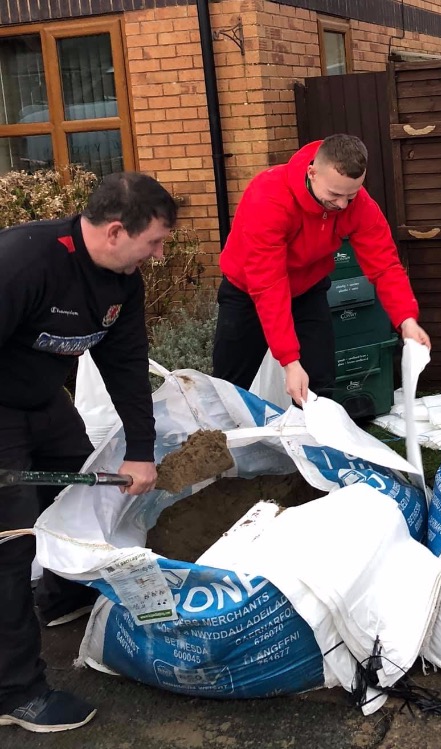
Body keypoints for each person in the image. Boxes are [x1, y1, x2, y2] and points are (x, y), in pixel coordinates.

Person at [0, 172, 176, 732]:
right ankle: (15, 693)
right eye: (154, 242)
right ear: (117, 231)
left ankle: (60, 596)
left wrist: (141, 450)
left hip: (43, 401)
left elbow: (126, 364)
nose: (159, 254)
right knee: (8, 545)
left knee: (81, 487)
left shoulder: (122, 280)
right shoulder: (24, 262)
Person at [212, 133, 430, 405]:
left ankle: (313, 432)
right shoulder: (268, 197)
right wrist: (290, 361)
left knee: (318, 384)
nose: (342, 204)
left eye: (351, 195)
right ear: (312, 173)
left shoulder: (357, 204)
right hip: (247, 291)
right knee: (229, 385)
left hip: (308, 288)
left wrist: (406, 320)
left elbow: (385, 264)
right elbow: (269, 285)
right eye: (335, 194)